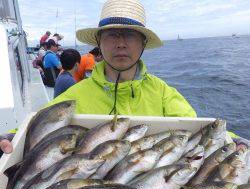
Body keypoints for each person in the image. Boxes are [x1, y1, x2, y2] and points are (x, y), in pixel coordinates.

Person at [1, 0, 248, 154]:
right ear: (99, 42)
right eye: (112, 34)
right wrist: (12, 137)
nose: (120, 43)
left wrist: (235, 141)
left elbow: (200, 126)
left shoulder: (163, 92)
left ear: (143, 43)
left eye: (129, 34)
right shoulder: (75, 94)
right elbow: (37, 125)